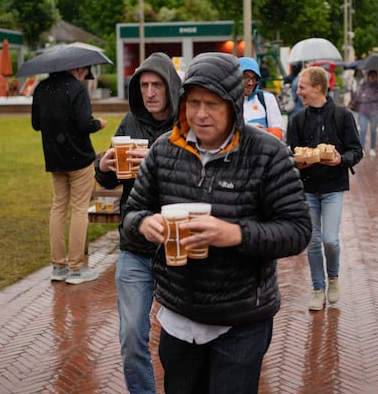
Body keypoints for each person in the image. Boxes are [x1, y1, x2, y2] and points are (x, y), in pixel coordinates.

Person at [122, 52, 312, 394]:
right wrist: (145, 224)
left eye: (213, 103)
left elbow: (297, 231)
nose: (201, 114)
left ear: (233, 104)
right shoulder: (164, 151)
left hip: (241, 320)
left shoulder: (268, 154)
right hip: (178, 317)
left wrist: (236, 234)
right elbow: (132, 214)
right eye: (193, 102)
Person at [95, 52, 182, 393]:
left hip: (176, 244)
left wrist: (158, 160)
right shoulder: (129, 123)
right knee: (131, 337)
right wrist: (102, 166)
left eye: (156, 84)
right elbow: (108, 180)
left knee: (180, 345)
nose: (149, 92)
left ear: (170, 86)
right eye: (143, 85)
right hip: (134, 245)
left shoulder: (186, 123)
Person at [287, 66, 363, 311]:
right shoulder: (297, 119)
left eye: (302, 86)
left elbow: (356, 151)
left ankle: (333, 277)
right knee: (312, 240)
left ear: (318, 87)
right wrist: (299, 160)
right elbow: (292, 154)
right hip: (307, 189)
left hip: (332, 188)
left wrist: (341, 159)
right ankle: (318, 288)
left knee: (330, 240)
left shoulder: (342, 115)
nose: (298, 91)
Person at [31, 65, 108, 285]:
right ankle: (76, 269)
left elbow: (36, 124)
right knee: (79, 209)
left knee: (58, 208)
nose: (86, 76)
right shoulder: (77, 89)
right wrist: (99, 124)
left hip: (54, 158)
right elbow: (85, 124)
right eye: (86, 72)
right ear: (78, 68)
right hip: (80, 159)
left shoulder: (41, 88)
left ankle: (58, 266)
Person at [239, 56, 285, 139]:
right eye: (246, 77)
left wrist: (265, 133)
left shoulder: (266, 98)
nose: (250, 83)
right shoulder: (227, 101)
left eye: (254, 78)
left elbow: (280, 132)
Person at [354, 70, 378, 156]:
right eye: (371, 75)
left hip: (375, 112)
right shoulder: (363, 84)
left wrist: (366, 96)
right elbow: (358, 96)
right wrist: (366, 96)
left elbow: (377, 97)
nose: (372, 77)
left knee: (373, 130)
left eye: (374, 76)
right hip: (363, 111)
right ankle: (362, 148)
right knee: (363, 130)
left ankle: (372, 148)